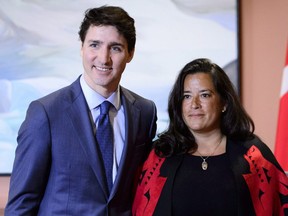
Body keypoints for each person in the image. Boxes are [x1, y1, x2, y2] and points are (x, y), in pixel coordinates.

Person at [5, 6, 157, 216]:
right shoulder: (46, 113)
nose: (104, 58)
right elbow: (21, 205)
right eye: (94, 45)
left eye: (115, 48)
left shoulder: (144, 112)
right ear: (82, 48)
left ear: (130, 53)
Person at [132, 58, 288, 216]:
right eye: (186, 96)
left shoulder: (254, 156)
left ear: (224, 103)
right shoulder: (159, 155)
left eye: (205, 95)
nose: (194, 104)